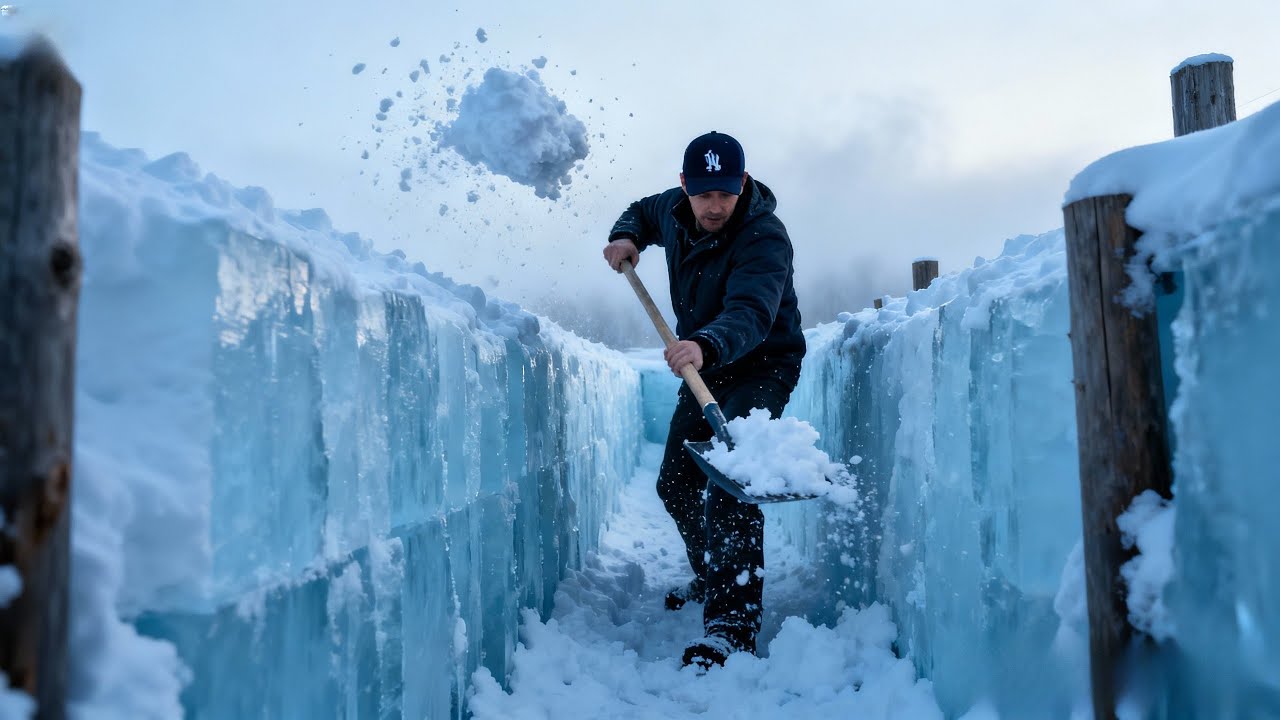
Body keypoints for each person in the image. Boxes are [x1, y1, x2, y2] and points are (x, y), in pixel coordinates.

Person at [602, 131, 806, 669]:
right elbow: (641, 214)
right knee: (675, 482)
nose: (714, 206)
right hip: (701, 364)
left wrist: (705, 343)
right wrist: (627, 236)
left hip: (759, 361)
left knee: (731, 484)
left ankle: (730, 628)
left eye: (725, 193)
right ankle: (714, 572)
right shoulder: (672, 210)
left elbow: (753, 313)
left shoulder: (764, 235)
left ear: (742, 183)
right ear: (684, 188)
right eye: (703, 194)